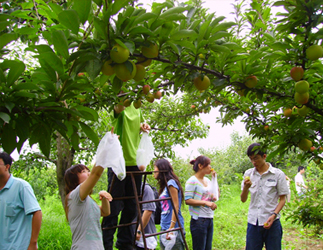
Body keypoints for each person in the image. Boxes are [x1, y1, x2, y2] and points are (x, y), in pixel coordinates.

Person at [102, 102, 150, 250]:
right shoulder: (119, 106)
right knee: (113, 207)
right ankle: (106, 245)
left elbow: (141, 123)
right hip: (118, 163)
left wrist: (144, 126)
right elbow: (118, 108)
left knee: (132, 206)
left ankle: (124, 242)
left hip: (135, 163)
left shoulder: (137, 106)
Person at [241, 143, 289, 250]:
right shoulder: (249, 174)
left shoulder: (277, 174)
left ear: (264, 156)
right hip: (253, 222)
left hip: (272, 222)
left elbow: (282, 199)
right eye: (251, 159)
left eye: (256, 158)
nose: (254, 162)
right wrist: (245, 187)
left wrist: (274, 215)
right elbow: (243, 199)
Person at [64, 162, 112, 250]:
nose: (88, 173)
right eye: (83, 171)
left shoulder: (87, 200)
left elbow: (105, 212)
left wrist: (104, 197)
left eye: (88, 170)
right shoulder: (74, 196)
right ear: (73, 179)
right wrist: (104, 151)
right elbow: (95, 174)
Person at [0, 151, 42, 250]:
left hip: (19, 247)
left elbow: (37, 213)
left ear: (7, 167)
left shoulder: (21, 186)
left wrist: (33, 243)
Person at [184, 155, 218, 250]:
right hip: (199, 220)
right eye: (208, 165)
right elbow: (187, 200)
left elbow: (214, 195)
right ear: (200, 166)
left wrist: (214, 179)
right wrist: (205, 203)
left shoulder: (207, 180)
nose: (210, 167)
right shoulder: (192, 181)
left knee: (208, 248)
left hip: (209, 218)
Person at [153, 158, 185, 250]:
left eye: (155, 167)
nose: (154, 170)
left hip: (173, 227)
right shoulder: (164, 186)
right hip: (164, 226)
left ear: (161, 169)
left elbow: (176, 205)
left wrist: (171, 227)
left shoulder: (171, 183)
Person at [133, 183, 157, 250]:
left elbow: (149, 210)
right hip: (132, 235)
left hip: (145, 237)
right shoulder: (130, 187)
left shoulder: (145, 188)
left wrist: (139, 231)